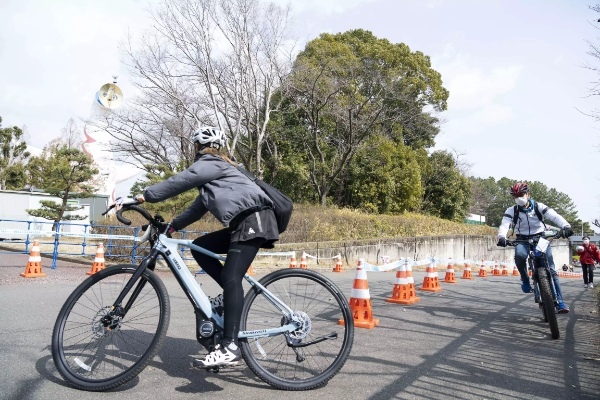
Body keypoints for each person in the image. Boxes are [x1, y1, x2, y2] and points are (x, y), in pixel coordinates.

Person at [135, 127, 280, 368]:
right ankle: (230, 299)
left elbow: (182, 180)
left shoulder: (211, 162)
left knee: (232, 276)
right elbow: (196, 209)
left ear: (199, 146)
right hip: (244, 224)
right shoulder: (215, 177)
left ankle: (231, 347)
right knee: (199, 246)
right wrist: (170, 229)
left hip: (254, 221)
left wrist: (143, 196)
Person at [496, 181, 573, 313]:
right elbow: (505, 224)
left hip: (541, 238)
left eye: (520, 194)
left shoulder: (539, 206)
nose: (518, 198)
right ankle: (525, 279)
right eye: (515, 196)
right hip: (522, 239)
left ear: (528, 194)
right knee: (519, 256)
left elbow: (554, 216)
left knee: (552, 271)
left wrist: (566, 226)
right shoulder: (511, 210)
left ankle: (560, 303)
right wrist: (501, 237)